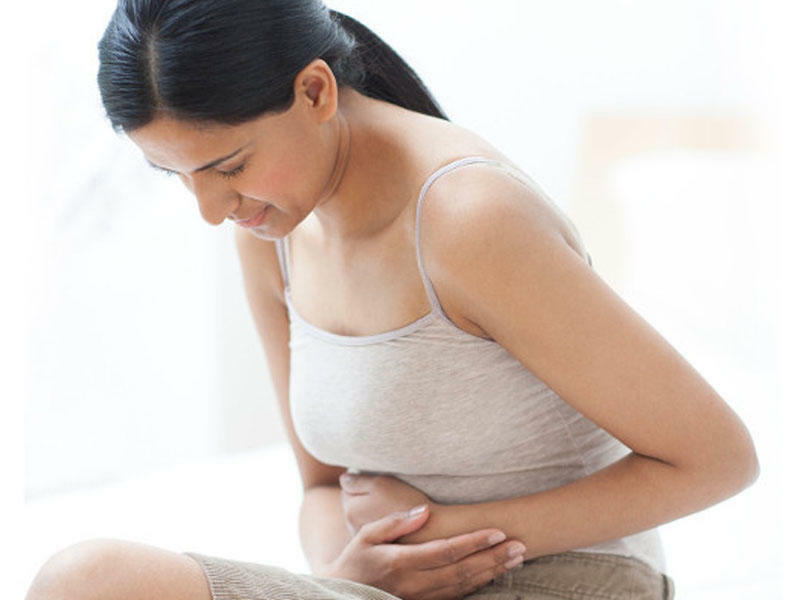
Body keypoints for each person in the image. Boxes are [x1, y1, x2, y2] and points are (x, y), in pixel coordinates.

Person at [26, 1, 759, 599]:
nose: (212, 211)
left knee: (88, 582)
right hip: (384, 591)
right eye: (176, 176)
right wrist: (347, 573)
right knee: (88, 587)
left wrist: (439, 532)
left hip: (562, 580)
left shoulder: (468, 219)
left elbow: (718, 459)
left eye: (230, 167)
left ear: (315, 91)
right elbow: (321, 487)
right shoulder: (269, 233)